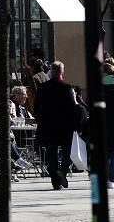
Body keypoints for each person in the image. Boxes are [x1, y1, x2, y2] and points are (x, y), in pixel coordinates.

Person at [34, 61, 77, 190]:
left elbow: (36, 107)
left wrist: (40, 121)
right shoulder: (67, 87)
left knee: (51, 153)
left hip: (48, 126)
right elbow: (72, 108)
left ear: (51, 71)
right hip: (64, 126)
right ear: (62, 71)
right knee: (68, 151)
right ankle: (63, 170)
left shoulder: (43, 87)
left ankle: (55, 180)